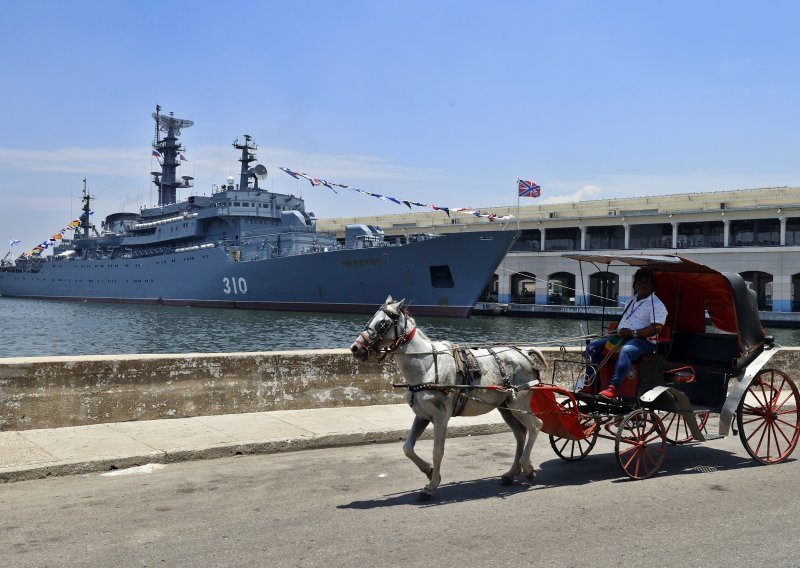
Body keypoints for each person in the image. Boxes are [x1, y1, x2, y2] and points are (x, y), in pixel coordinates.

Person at [584, 269, 668, 399]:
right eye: (639, 282)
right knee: (592, 348)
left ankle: (612, 388)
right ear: (634, 285)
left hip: (644, 342)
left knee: (626, 350)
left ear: (652, 286)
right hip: (621, 337)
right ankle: (592, 385)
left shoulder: (657, 305)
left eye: (646, 283)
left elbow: (656, 328)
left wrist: (633, 333)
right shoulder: (630, 301)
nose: (642, 285)